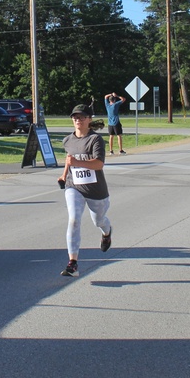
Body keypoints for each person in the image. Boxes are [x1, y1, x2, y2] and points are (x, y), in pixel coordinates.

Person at [56, 104, 113, 278]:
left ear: (89, 119)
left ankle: (107, 232)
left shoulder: (95, 140)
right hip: (74, 187)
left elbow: (98, 164)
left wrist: (76, 163)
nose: (77, 120)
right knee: (73, 219)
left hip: (96, 191)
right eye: (74, 117)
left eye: (81, 117)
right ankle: (72, 263)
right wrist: (63, 176)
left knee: (99, 221)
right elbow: (69, 160)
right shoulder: (68, 140)